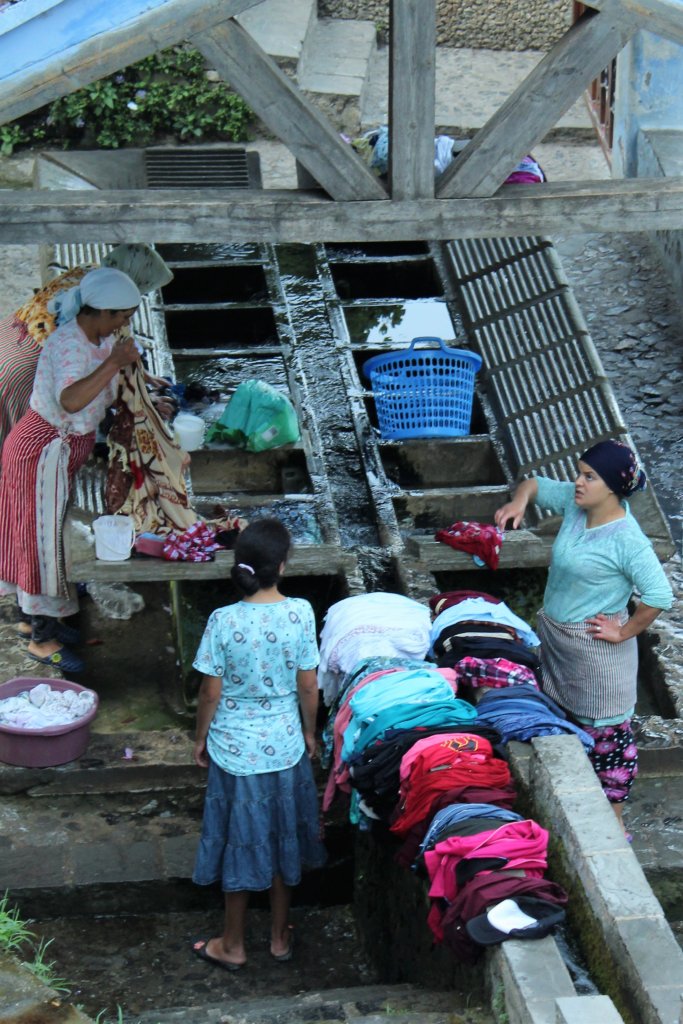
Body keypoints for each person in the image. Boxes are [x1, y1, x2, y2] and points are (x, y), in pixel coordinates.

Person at [494, 440, 673, 832]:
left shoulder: (627, 540)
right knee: (567, 724)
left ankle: (615, 828)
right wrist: (519, 503)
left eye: (588, 476)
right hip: (561, 646)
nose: (578, 482)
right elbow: (534, 484)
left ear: (612, 486)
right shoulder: (579, 508)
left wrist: (623, 630)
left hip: (597, 658)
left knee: (608, 742)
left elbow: (660, 595)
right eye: (579, 472)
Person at [191, 518, 326, 971]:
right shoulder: (301, 612)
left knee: (240, 842)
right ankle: (278, 937)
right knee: (280, 839)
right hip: (285, 747)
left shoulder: (222, 620)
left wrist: (200, 738)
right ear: (282, 566)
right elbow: (309, 686)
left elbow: (210, 692)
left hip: (234, 752)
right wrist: (309, 733)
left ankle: (232, 943)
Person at [0, 267, 143, 673]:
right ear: (98, 311)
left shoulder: (101, 339)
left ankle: (33, 620)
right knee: (40, 544)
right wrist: (115, 361)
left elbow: (104, 394)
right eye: (120, 316)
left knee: (36, 534)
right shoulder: (68, 344)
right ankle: (41, 641)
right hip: (41, 451)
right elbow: (72, 399)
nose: (124, 325)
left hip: (62, 452)